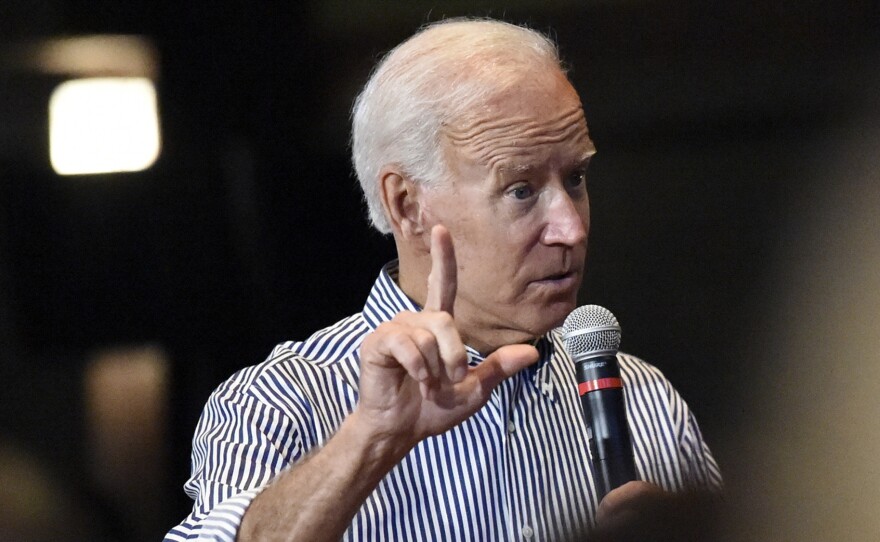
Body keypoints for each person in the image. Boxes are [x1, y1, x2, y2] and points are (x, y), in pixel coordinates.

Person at [165, 18, 722, 542]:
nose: (571, 229)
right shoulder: (277, 402)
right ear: (406, 205)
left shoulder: (646, 400)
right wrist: (372, 438)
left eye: (575, 178)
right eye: (521, 189)